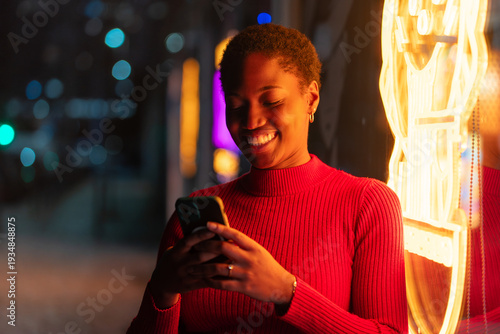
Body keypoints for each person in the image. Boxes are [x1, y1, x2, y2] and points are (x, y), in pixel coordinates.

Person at [127, 23, 408, 333]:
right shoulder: (193, 216)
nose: (251, 121)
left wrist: (286, 292)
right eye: (236, 106)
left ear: (311, 98)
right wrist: (162, 292)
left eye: (271, 101)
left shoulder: (367, 204)